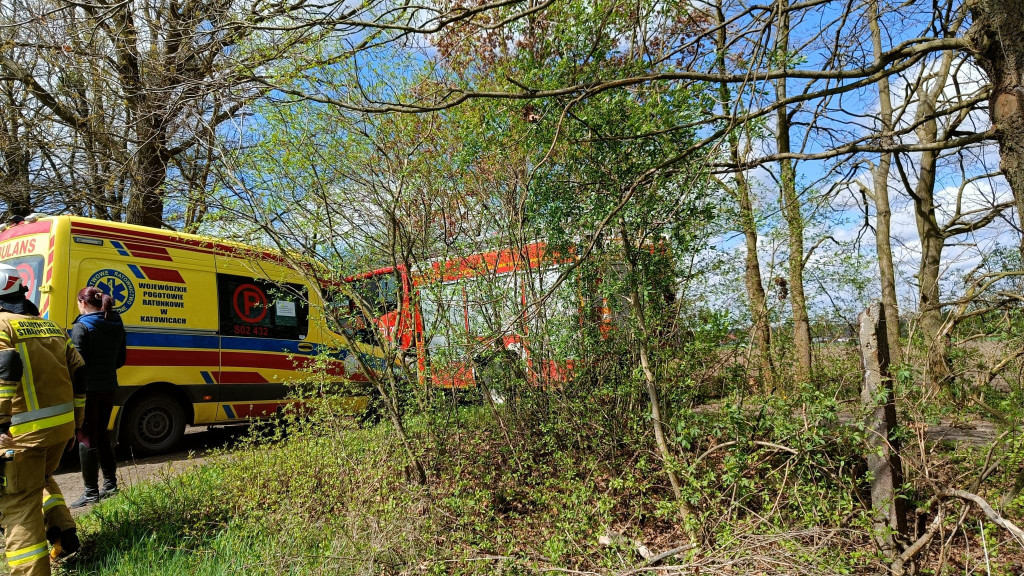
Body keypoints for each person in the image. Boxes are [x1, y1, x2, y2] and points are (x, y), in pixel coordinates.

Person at [0, 264, 86, 575]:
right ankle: (63, 531)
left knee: (18, 504)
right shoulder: (50, 326)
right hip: (59, 431)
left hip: (19, 435)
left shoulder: (2, 326)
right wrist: (77, 421)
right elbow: (80, 373)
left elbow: (4, 371)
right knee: (40, 480)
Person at [69, 286, 125, 508]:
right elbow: (121, 359)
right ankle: (110, 485)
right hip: (109, 386)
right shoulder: (116, 323)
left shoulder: (81, 327)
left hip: (87, 390)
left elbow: (79, 366)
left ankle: (91, 492)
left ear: (83, 303)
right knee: (101, 434)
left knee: (85, 438)